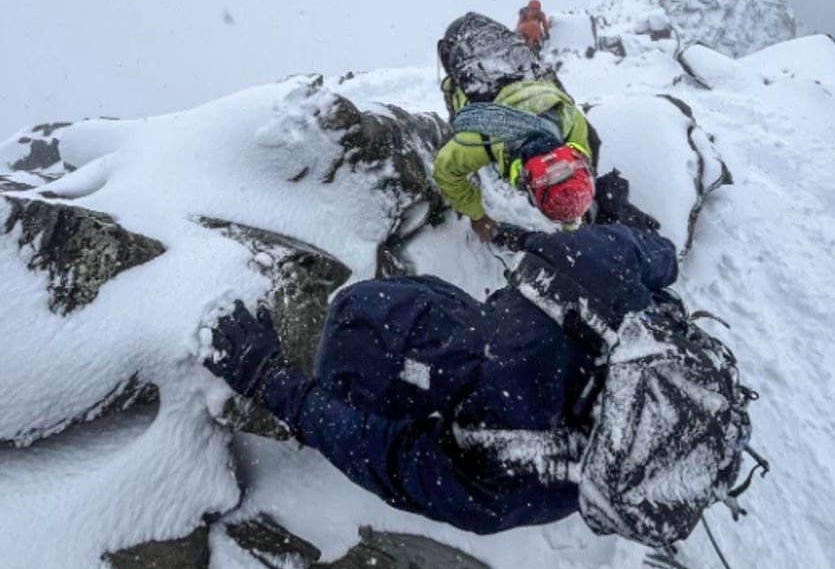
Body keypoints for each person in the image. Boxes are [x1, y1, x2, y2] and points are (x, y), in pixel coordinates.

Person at [202, 221, 757, 547]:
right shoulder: (536, 478)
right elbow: (393, 460)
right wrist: (273, 384)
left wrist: (269, 381)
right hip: (421, 350)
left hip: (403, 346)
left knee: (391, 338)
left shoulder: (596, 264)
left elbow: (387, 456)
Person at [435, 12, 597, 243]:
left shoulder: (568, 118)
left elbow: (568, 177)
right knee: (457, 93)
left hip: (497, 41)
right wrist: (476, 214)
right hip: (459, 42)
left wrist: (571, 214)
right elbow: (445, 171)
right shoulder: (481, 138)